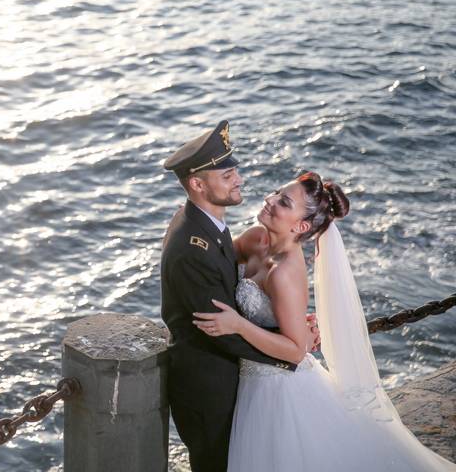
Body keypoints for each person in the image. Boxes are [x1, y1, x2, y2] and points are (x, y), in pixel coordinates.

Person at [192, 172, 456, 471]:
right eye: (277, 192)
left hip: (276, 386)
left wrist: (239, 325)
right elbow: (217, 260)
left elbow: (294, 351)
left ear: (301, 225)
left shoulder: (285, 273)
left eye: (283, 202)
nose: (269, 199)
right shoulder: (256, 239)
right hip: (250, 377)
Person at [159, 121, 313, 472]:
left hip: (228, 383)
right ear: (198, 184)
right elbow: (223, 331)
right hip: (207, 388)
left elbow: (235, 285)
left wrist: (287, 322)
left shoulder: (206, 226)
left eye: (235, 171)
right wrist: (290, 349)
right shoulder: (192, 246)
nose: (239, 179)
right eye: (227, 175)